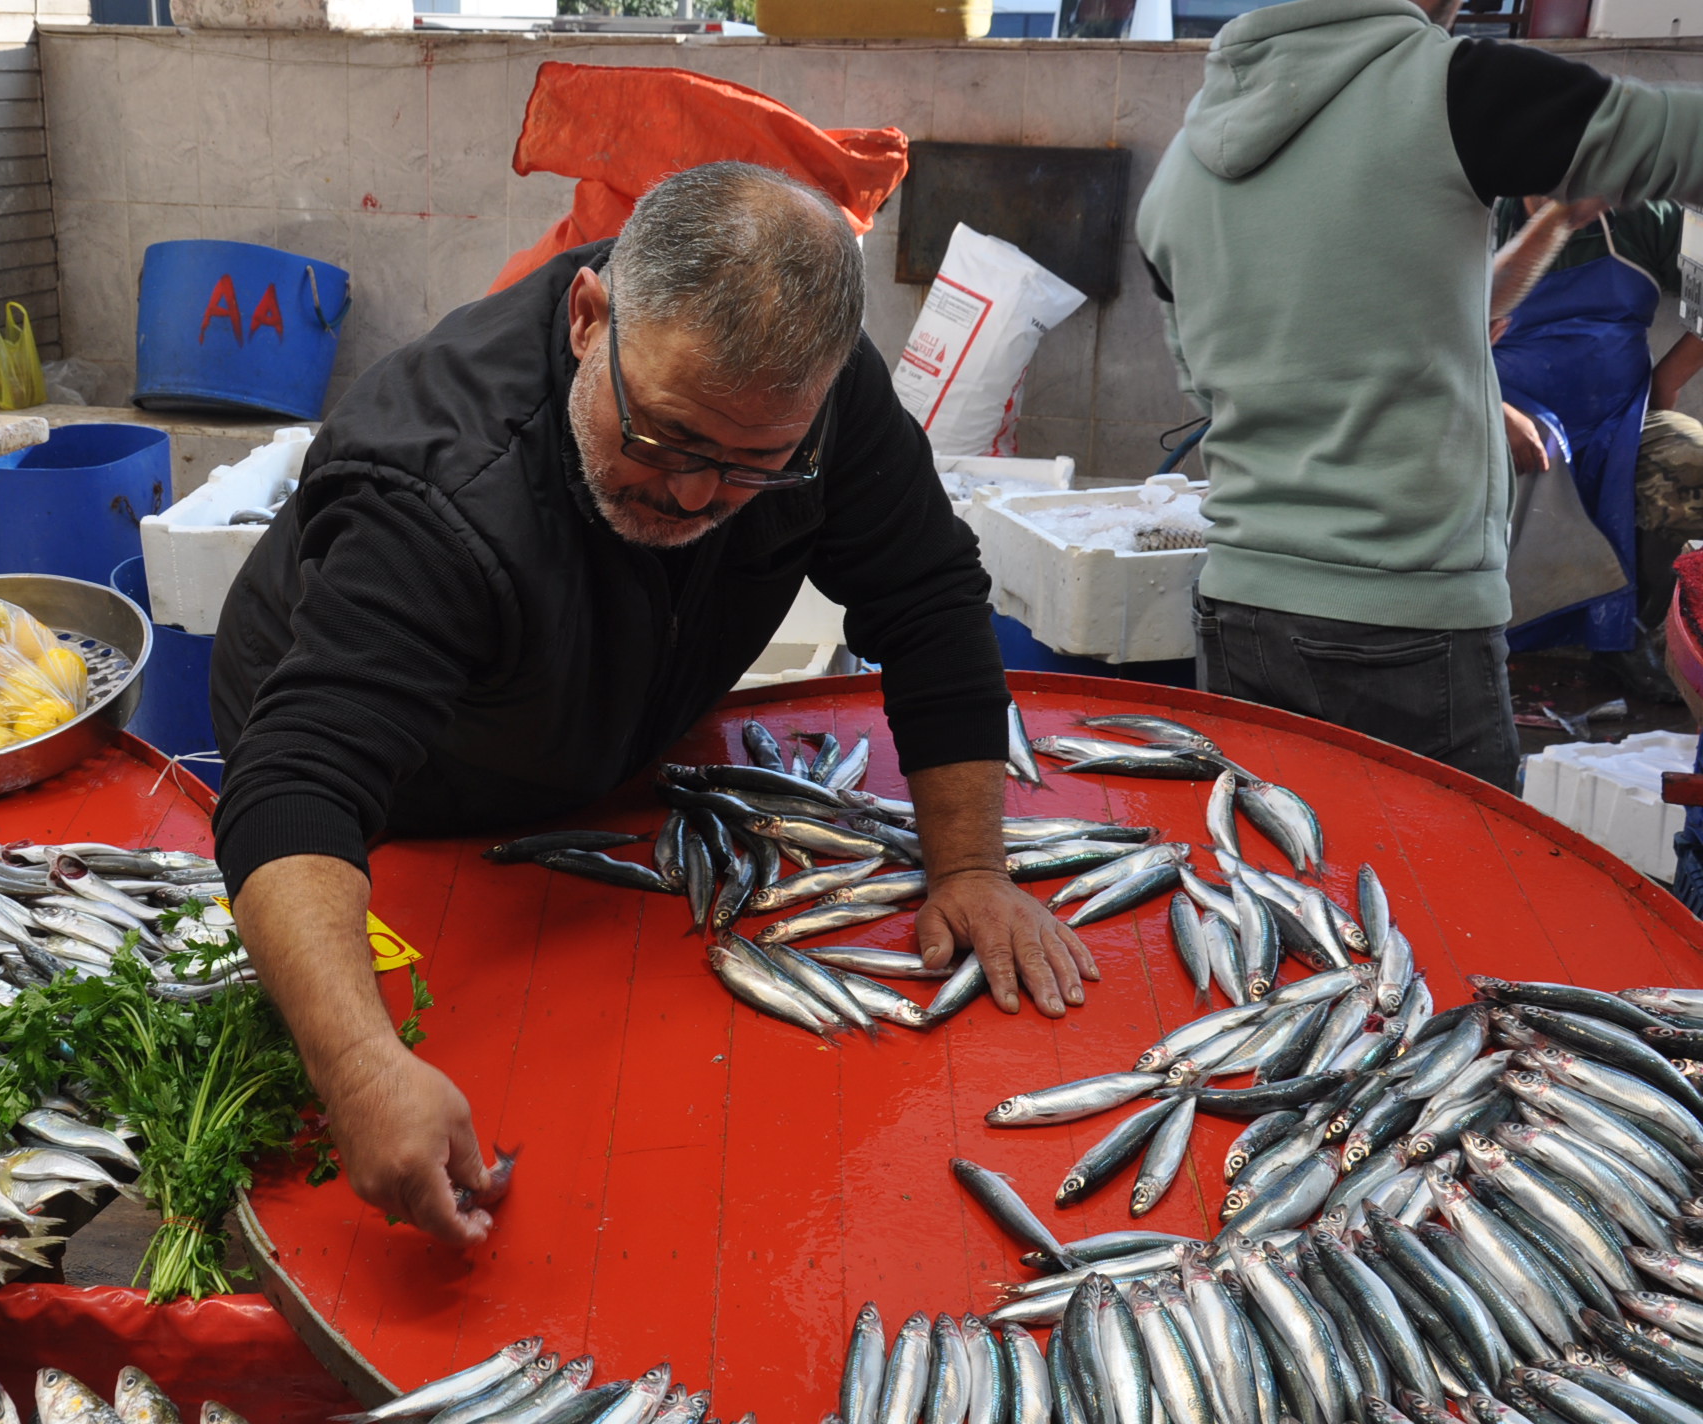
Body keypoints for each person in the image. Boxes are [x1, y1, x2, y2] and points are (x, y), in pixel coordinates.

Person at [208, 162, 1097, 1247]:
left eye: (751, 467)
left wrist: (969, 869)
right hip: (395, 799)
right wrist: (357, 1065)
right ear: (589, 318)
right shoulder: (441, 485)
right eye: (664, 438)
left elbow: (926, 600)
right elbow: (298, 784)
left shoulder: (813, 404)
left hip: (600, 744)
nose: (693, 493)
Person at [1136, 0, 1703, 789]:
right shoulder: (1452, 89)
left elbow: (1211, 383)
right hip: (1406, 624)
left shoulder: (1180, 170)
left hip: (1240, 614)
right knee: (1443, 870)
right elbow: (1683, 139)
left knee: (1285, 862)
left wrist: (1553, 227)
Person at [1490, 194, 1703, 702]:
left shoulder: (1648, 218)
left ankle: (1633, 630)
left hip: (1620, 424)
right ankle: (1470, 631)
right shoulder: (1473, 216)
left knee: (1691, 463)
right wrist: (1488, 406)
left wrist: (1666, 380)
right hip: (1497, 423)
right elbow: (1409, 328)